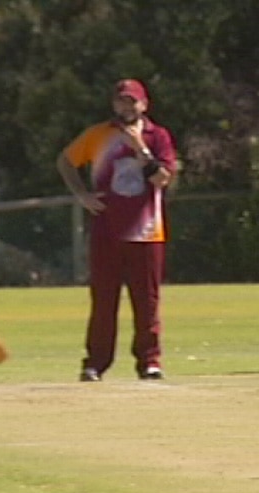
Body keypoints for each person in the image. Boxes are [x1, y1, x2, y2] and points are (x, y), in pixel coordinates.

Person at [56, 79, 177, 382]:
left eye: (132, 101)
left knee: (146, 301)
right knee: (104, 300)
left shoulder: (157, 136)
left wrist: (139, 147)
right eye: (121, 101)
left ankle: (149, 361)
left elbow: (162, 179)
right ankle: (96, 363)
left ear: (144, 105)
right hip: (107, 230)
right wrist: (81, 195)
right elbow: (66, 161)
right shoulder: (99, 135)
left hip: (147, 230)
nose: (126, 107)